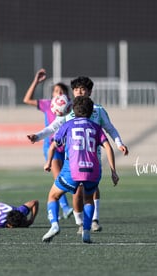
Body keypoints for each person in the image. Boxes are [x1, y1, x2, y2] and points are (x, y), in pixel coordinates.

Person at [27, 76, 128, 234]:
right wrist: (38, 136)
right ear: (73, 92)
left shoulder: (98, 110)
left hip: (93, 156)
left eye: (83, 89)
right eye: (76, 89)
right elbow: (52, 127)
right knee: (80, 191)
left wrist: (120, 143)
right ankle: (81, 223)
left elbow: (110, 128)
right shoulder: (68, 111)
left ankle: (93, 220)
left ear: (89, 91)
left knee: (91, 191)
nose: (79, 92)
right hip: (74, 158)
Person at [42, 96, 119, 243]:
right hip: (93, 170)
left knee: (53, 196)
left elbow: (53, 145)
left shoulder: (67, 125)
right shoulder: (96, 127)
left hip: (72, 171)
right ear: (91, 113)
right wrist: (113, 171)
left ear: (72, 110)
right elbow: (108, 147)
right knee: (89, 200)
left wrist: (48, 162)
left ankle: (54, 225)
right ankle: (86, 231)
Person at [23, 68, 73, 219]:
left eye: (61, 91)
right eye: (55, 91)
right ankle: (65, 208)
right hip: (52, 146)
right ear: (52, 95)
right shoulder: (47, 104)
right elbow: (26, 99)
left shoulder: (71, 108)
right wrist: (36, 82)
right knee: (58, 177)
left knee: (70, 178)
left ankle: (72, 207)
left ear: (66, 95)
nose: (58, 93)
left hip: (68, 147)